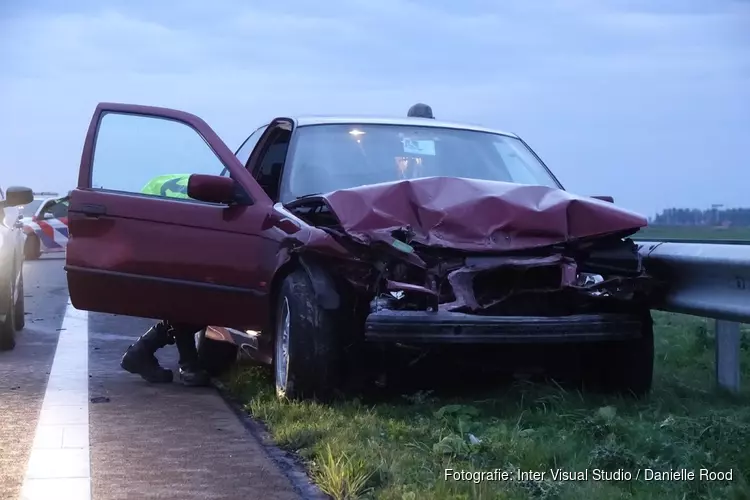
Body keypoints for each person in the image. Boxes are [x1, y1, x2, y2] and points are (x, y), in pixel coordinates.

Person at [119, 174, 209, 386]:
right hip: (168, 256)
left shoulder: (155, 186)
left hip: (152, 254)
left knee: (185, 306)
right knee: (186, 306)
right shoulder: (200, 197)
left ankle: (141, 353)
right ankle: (188, 366)